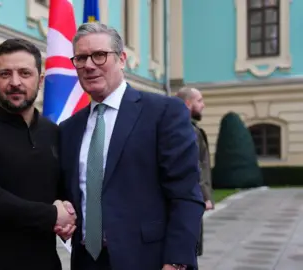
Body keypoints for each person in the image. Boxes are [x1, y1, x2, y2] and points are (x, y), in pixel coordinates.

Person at [59, 22, 205, 270]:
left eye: (99, 55)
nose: (89, 65)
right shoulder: (69, 128)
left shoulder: (164, 112)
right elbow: (71, 193)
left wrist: (177, 261)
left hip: (148, 260)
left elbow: (186, 194)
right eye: (81, 58)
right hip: (86, 261)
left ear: (122, 59)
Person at [0, 38, 76, 270]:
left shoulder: (53, 132)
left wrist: (68, 215)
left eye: (24, 73)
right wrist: (53, 215)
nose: (15, 82)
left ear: (40, 81)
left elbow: (61, 190)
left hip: (45, 262)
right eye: (5, 74)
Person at [176, 87, 214, 257]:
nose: (203, 105)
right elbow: (195, 166)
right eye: (199, 101)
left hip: (188, 198)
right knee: (189, 250)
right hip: (191, 199)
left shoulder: (186, 127)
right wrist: (205, 196)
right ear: (187, 104)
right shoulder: (188, 130)